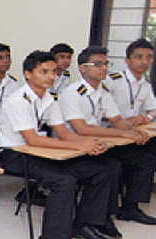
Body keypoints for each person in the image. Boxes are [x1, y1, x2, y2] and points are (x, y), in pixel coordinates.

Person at [0, 50, 117, 239]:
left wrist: (88, 143)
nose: (51, 76)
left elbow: (63, 132)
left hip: (41, 152)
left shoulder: (49, 98)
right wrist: (78, 146)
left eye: (53, 72)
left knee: (100, 172)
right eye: (44, 71)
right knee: (64, 181)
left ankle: (85, 225)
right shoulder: (18, 100)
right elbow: (32, 140)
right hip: (16, 154)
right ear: (28, 74)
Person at [60, 46, 156, 226]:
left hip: (100, 143)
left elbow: (117, 119)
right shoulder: (72, 93)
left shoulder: (102, 91)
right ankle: (102, 218)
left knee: (145, 160)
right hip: (77, 147)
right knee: (112, 167)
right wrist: (123, 132)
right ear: (83, 68)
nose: (104, 68)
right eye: (98, 64)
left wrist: (134, 130)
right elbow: (82, 129)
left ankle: (130, 208)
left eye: (106, 64)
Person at [104, 38, 156, 125]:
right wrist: (123, 121)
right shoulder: (113, 80)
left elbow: (153, 109)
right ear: (127, 60)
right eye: (139, 57)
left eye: (149, 57)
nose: (145, 62)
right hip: (109, 127)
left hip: (132, 128)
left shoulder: (146, 84)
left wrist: (148, 118)